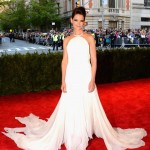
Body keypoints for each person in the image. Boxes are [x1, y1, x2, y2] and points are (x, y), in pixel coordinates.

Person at [2, 7, 147, 150]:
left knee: (86, 103)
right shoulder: (66, 40)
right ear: (71, 20)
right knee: (71, 104)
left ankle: (85, 131)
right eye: (76, 20)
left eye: (81, 21)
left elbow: (94, 61)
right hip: (71, 76)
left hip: (85, 76)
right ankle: (74, 133)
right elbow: (65, 61)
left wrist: (92, 80)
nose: (78, 23)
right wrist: (63, 80)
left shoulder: (90, 38)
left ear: (84, 22)